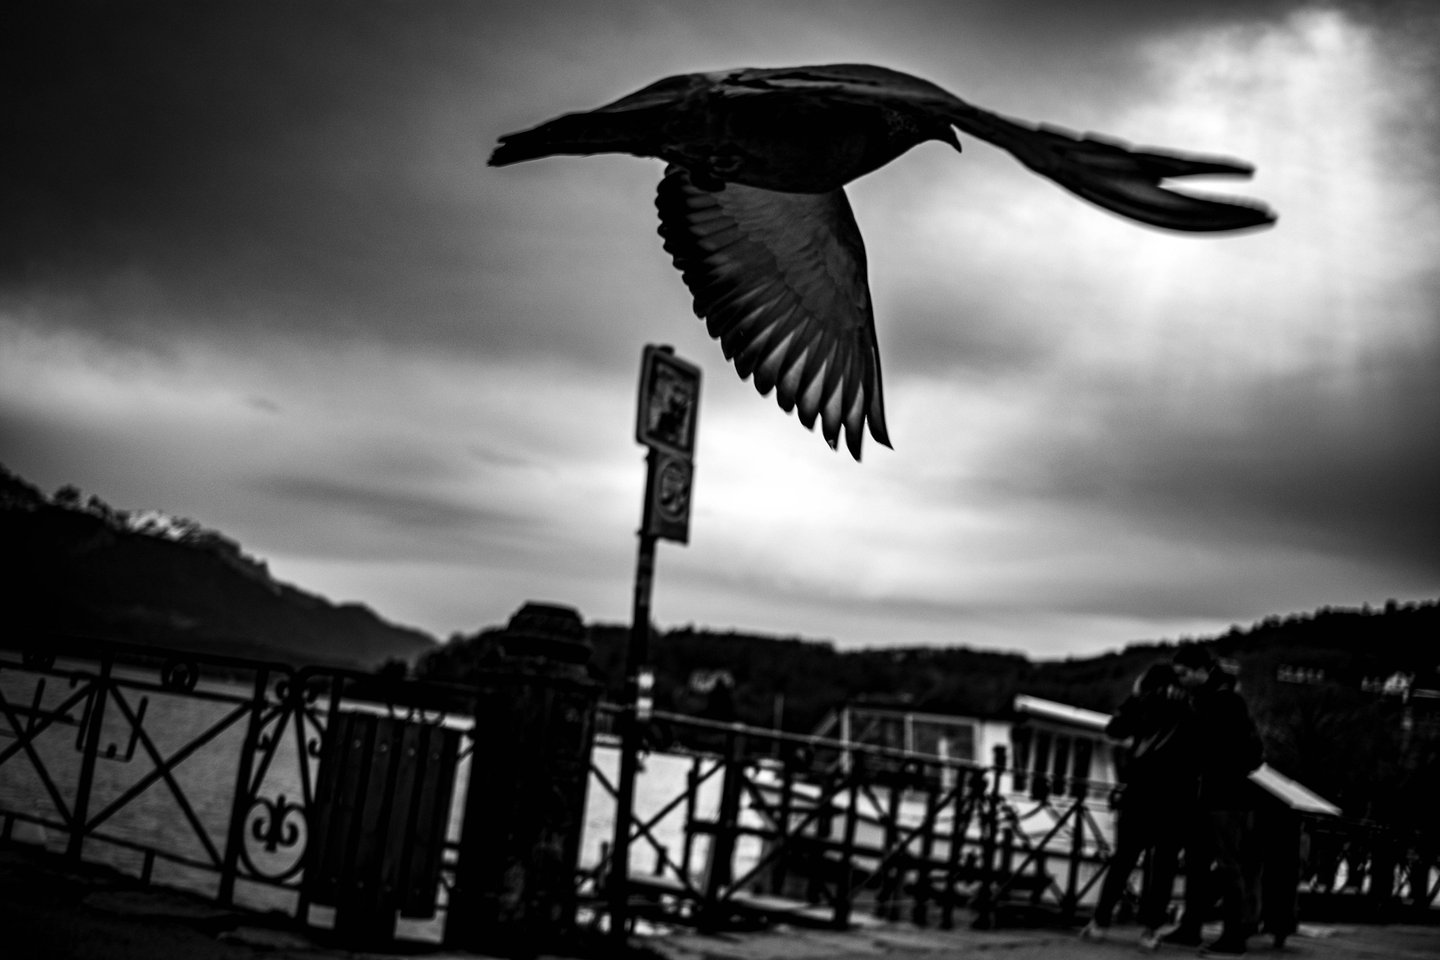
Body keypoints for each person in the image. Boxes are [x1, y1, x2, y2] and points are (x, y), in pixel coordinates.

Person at [1080, 663, 1195, 951]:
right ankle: (1150, 929)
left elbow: (1115, 730)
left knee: (1124, 859)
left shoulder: (1144, 702)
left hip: (1140, 790)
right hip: (1176, 795)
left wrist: (1134, 696)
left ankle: (1100, 921)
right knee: (1164, 864)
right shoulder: (1191, 707)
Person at [1161, 646, 1264, 957]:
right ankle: (1196, 928)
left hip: (1223, 793)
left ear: (1199, 670)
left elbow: (1210, 743)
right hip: (1212, 792)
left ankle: (1231, 934)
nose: (1181, 681)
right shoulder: (1218, 698)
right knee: (1199, 862)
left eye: (1183, 675)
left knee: (1225, 864)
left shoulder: (1224, 701)